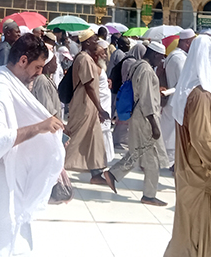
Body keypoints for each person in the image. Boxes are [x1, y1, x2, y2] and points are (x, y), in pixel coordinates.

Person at [0, 34, 65, 256]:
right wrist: (39, 128)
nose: (39, 73)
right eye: (37, 67)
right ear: (23, 60)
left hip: (14, 181)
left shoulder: (14, 86)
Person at [164, 35, 211, 257]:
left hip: (191, 176)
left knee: (189, 236)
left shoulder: (192, 91)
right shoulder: (201, 95)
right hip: (203, 176)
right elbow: (201, 139)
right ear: (207, 58)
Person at [104, 39, 168, 206]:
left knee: (138, 151)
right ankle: (149, 195)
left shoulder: (137, 65)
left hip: (139, 115)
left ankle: (113, 174)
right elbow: (146, 99)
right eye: (160, 57)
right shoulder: (146, 70)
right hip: (146, 117)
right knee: (152, 157)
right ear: (154, 54)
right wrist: (154, 124)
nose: (161, 61)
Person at [64, 29, 110, 185]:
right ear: (87, 42)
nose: (96, 42)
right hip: (83, 105)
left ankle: (96, 174)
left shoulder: (89, 59)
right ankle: (56, 167)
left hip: (90, 106)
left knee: (95, 139)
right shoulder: (83, 59)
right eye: (95, 40)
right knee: (75, 138)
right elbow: (89, 85)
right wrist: (100, 108)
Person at [160, 29, 194, 166]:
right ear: (186, 43)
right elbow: (182, 82)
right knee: (171, 133)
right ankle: (169, 162)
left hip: (173, 100)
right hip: (175, 100)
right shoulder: (179, 58)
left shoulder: (175, 55)